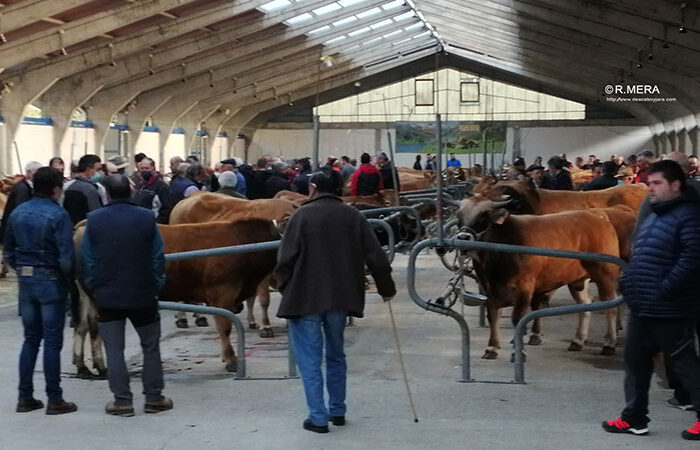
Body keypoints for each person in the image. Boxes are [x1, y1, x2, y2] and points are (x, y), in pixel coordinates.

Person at [274, 168, 396, 433]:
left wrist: (286, 288)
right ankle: (337, 410)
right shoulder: (353, 216)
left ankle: (318, 417)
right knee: (336, 355)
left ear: (313, 188)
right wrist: (387, 289)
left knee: (309, 359)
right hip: (341, 298)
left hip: (305, 298)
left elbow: (284, 261)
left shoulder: (301, 216)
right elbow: (376, 256)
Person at [602, 160, 700, 440]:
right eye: (649, 184)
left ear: (675, 185)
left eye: (657, 183)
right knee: (635, 364)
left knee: (684, 363)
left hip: (669, 307)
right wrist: (628, 283)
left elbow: (692, 259)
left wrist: (666, 289)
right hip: (643, 304)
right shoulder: (657, 213)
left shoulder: (689, 216)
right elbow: (641, 253)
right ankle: (634, 417)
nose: (650, 189)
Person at [81, 175, 171, 417]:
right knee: (150, 347)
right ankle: (154, 398)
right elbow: (157, 257)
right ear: (131, 192)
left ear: (107, 194)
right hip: (143, 293)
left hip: (108, 295)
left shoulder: (94, 220)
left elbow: (87, 261)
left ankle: (122, 401)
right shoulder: (146, 218)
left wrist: (95, 288)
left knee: (114, 349)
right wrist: (156, 284)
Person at [4, 167, 77, 415]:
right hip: (51, 281)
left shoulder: (17, 212)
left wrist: (23, 268)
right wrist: (68, 282)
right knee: (52, 342)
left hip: (26, 282)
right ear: (57, 189)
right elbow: (66, 258)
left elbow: (8, 251)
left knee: (30, 340)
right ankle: (54, 399)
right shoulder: (59, 215)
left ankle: (25, 397)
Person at [0, 161, 42, 244]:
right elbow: (21, 212)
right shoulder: (22, 189)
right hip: (15, 234)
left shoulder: (24, 186)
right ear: (29, 173)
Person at [63, 154, 103, 224]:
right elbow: (96, 213)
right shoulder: (91, 189)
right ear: (88, 170)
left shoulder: (67, 185)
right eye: (98, 169)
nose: (101, 173)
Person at [133, 157, 173, 224]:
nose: (144, 170)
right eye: (142, 168)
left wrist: (158, 223)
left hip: (153, 223)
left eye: (147, 168)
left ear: (153, 168)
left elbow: (167, 207)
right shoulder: (140, 184)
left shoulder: (161, 186)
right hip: (140, 222)